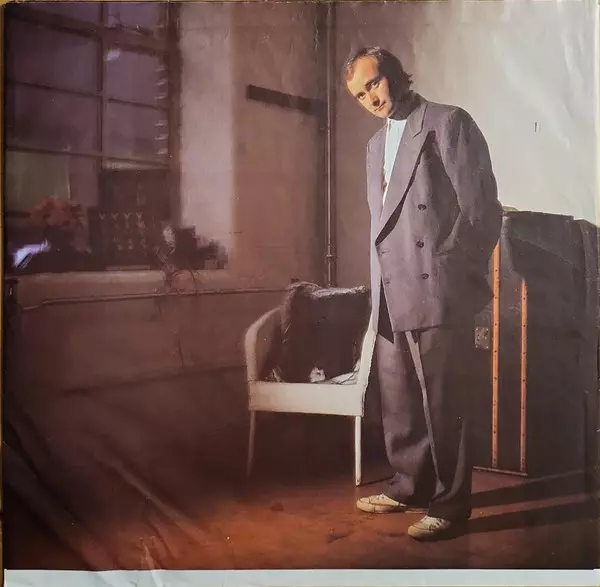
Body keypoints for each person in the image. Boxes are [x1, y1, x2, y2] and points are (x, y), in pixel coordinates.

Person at [344, 47, 502, 540]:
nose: (370, 98)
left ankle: (451, 505)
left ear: (393, 74)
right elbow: (381, 226)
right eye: (359, 94)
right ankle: (408, 486)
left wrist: (449, 274)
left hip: (435, 288)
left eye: (374, 83)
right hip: (391, 289)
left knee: (445, 402)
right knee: (400, 401)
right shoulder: (374, 146)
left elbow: (482, 212)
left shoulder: (448, 122)